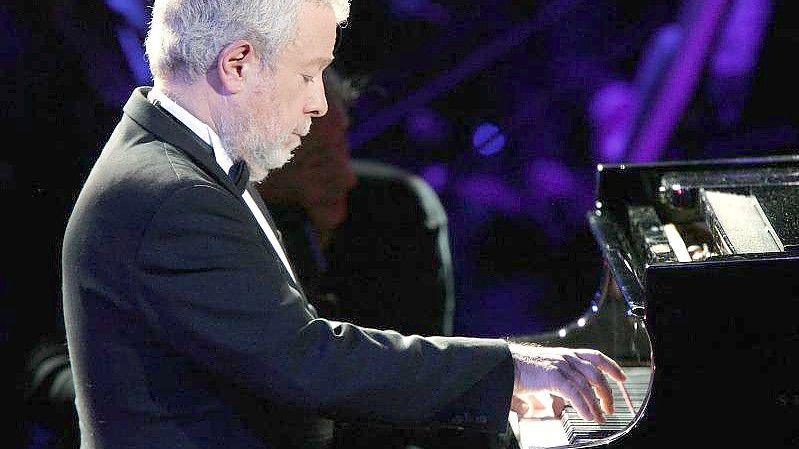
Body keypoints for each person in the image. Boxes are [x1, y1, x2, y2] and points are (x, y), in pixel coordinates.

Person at [61, 1, 627, 449]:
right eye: (309, 75)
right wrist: (506, 372)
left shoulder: (179, 161)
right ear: (236, 64)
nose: (318, 104)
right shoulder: (171, 196)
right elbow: (307, 362)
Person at [257, 68, 455, 338]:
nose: (346, 178)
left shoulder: (397, 212)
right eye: (316, 161)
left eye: (342, 146)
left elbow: (420, 366)